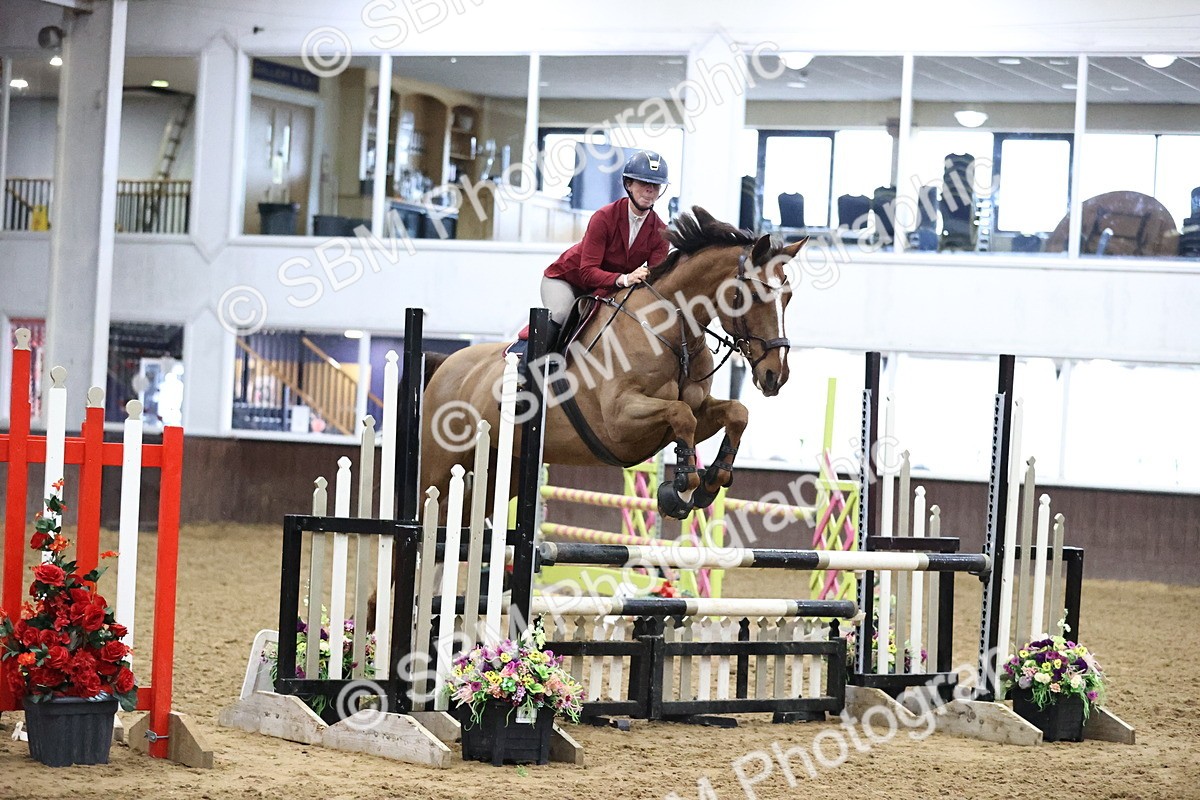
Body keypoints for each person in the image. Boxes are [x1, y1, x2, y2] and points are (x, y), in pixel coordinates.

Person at [540, 149, 672, 347]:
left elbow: (655, 281)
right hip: (568, 280)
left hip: (604, 288)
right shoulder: (604, 217)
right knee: (561, 314)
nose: (650, 190)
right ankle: (535, 369)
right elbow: (586, 272)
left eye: (655, 185)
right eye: (644, 183)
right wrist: (624, 279)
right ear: (629, 184)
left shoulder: (661, 231)